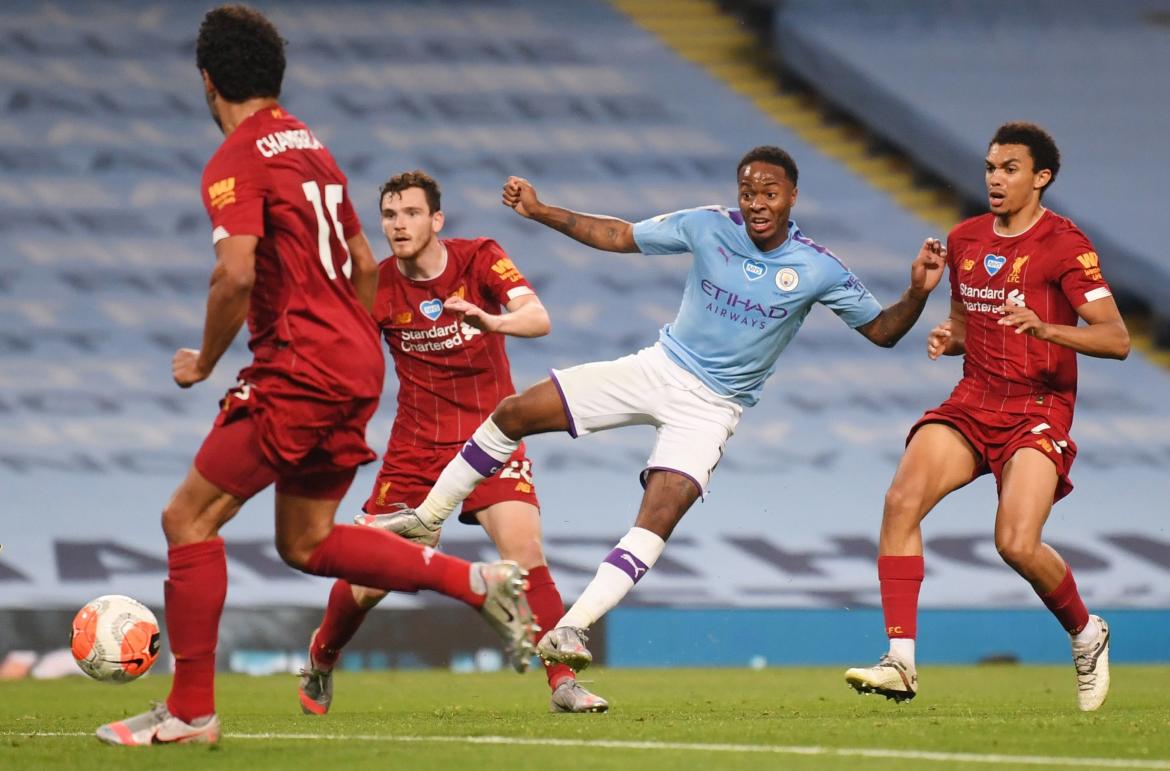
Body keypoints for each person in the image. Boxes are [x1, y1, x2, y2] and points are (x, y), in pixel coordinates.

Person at [97, 6, 535, 746]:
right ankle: (473, 580)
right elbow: (365, 264)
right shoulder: (314, 148)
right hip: (353, 363)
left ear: (208, 82)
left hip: (303, 366)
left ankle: (192, 710)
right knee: (306, 541)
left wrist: (205, 361)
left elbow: (234, 274)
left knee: (187, 519)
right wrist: (349, 346)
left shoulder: (238, 157)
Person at [365, 145, 947, 672]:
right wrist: (541, 211)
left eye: (769, 194)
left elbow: (881, 331)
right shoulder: (708, 225)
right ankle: (431, 516)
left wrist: (918, 292)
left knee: (656, 517)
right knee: (516, 411)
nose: (757, 204)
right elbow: (619, 235)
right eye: (748, 193)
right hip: (657, 368)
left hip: (712, 409)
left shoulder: (818, 267)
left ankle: (571, 628)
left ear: (792, 196)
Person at [297, 170, 608, 715]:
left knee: (525, 554)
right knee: (369, 583)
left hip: (492, 438)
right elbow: (342, 358)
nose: (399, 225)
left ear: (436, 220)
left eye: (411, 213)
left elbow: (538, 318)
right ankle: (322, 657)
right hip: (416, 448)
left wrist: (492, 321)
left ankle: (562, 682)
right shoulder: (373, 283)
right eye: (390, 215)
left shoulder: (480, 257)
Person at [844, 122, 1129, 712]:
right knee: (901, 502)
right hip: (974, 400)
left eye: (1010, 169)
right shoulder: (965, 239)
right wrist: (947, 331)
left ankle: (1085, 632)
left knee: (1016, 543)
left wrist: (1046, 327)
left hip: (1038, 408)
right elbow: (969, 327)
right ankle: (900, 661)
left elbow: (1117, 338)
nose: (995, 180)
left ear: (1041, 178)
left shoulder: (1065, 246)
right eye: (990, 168)